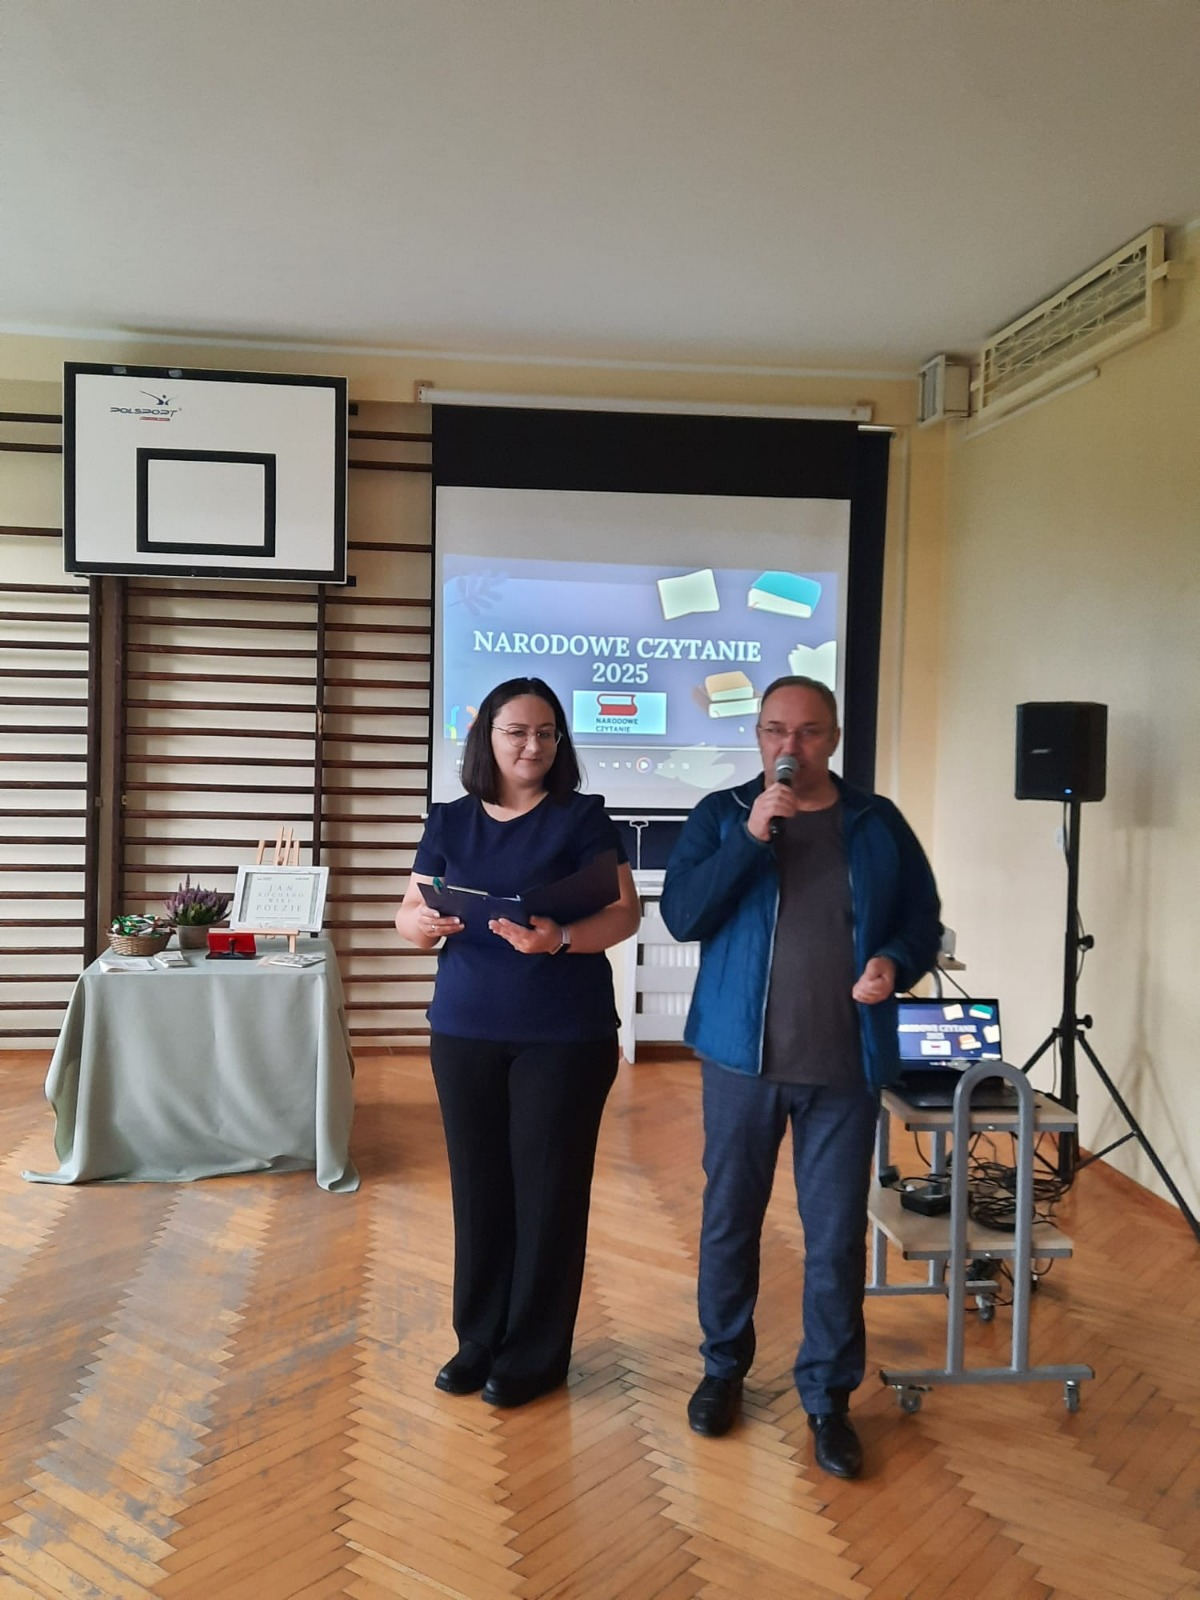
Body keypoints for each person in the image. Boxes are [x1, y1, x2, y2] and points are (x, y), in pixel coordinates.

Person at [659, 675, 940, 1478]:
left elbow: (919, 920)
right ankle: (723, 1370)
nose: (791, 746)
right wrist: (750, 838)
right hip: (740, 1062)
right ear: (757, 736)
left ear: (835, 737)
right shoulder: (721, 815)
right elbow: (683, 916)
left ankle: (828, 1398)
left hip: (843, 1070)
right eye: (776, 730)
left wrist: (894, 962)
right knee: (729, 1223)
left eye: (809, 732)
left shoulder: (876, 823)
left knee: (835, 1241)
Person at [395, 676, 640, 1408]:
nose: (532, 745)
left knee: (548, 1194)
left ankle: (534, 1354)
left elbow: (623, 914)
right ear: (487, 738)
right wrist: (419, 926)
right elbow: (409, 910)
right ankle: (477, 1340)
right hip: (464, 1028)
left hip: (563, 1035)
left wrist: (559, 938)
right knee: (478, 1190)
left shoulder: (583, 818)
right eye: (516, 731)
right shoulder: (450, 820)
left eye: (545, 732)